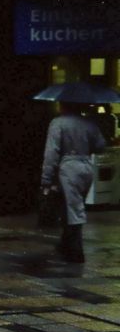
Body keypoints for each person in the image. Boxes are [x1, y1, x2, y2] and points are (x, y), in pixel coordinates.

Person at [41, 102, 107, 264]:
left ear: (64, 106)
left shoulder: (58, 123)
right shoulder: (89, 123)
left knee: (72, 209)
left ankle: (76, 251)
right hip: (86, 167)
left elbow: (51, 153)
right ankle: (65, 244)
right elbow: (100, 146)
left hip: (68, 168)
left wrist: (46, 179)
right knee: (73, 205)